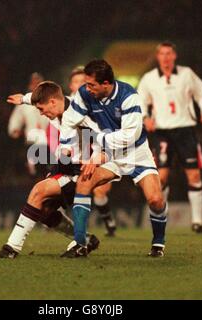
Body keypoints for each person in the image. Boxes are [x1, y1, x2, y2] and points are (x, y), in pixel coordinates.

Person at [58, 59, 168, 258]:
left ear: (106, 84)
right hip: (109, 153)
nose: (87, 88)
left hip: (136, 153)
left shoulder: (129, 96)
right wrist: (65, 147)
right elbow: (69, 119)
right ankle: (80, 243)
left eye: (92, 84)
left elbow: (130, 136)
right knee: (84, 183)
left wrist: (98, 144)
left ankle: (158, 243)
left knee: (156, 201)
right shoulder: (85, 93)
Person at [0, 81, 106, 259]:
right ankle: (85, 239)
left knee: (38, 191)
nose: (41, 113)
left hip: (80, 169)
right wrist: (23, 99)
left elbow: (101, 134)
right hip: (65, 165)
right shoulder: (57, 105)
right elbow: (41, 98)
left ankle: (11, 248)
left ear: (53, 102)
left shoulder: (78, 114)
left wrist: (94, 156)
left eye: (42, 109)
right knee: (44, 210)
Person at [137, 42, 202, 233]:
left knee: (194, 175)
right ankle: (161, 216)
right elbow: (139, 101)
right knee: (161, 177)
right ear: (157, 57)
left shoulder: (186, 74)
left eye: (169, 53)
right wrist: (145, 118)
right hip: (161, 132)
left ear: (174, 56)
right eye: (162, 54)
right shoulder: (149, 79)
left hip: (185, 130)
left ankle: (197, 221)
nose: (165, 57)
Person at [68, 66, 117, 237]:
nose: (82, 86)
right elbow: (48, 99)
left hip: (100, 152)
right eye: (77, 82)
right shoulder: (67, 105)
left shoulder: (98, 103)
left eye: (85, 82)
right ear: (70, 86)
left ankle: (106, 221)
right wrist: (26, 99)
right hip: (75, 156)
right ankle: (79, 232)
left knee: (99, 191)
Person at [8, 72, 50, 178]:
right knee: (35, 170)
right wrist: (15, 129)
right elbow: (15, 119)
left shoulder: (50, 101)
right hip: (31, 142)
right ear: (30, 85)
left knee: (47, 169)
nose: (36, 86)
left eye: (39, 83)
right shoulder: (23, 105)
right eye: (34, 83)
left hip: (50, 142)